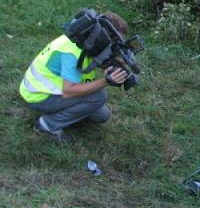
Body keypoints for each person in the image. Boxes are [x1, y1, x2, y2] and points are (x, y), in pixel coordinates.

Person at [19, 11, 130, 143]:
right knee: (99, 96)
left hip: (48, 90)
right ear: (103, 37)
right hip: (38, 95)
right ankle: (48, 124)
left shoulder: (83, 39)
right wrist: (105, 81)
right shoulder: (73, 53)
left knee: (102, 115)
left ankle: (67, 113)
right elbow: (69, 91)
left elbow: (92, 62)